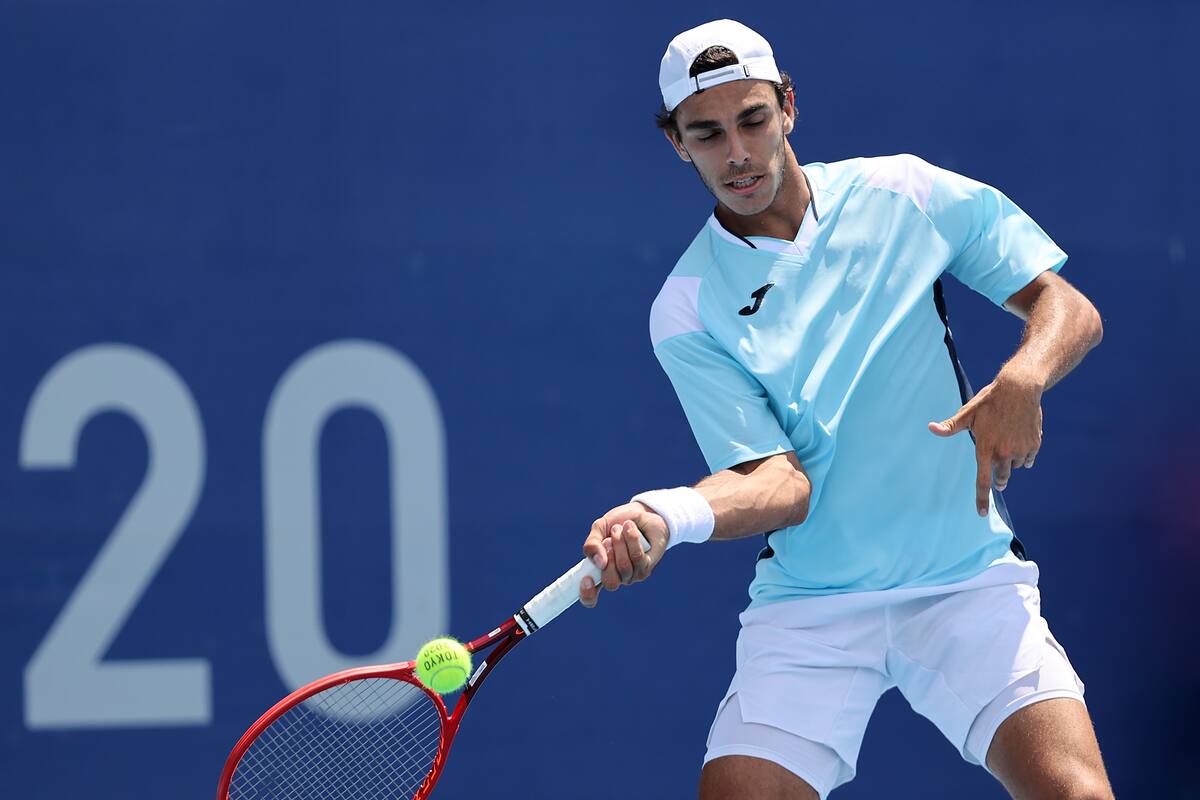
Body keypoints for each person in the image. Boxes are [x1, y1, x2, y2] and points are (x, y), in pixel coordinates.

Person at [577, 18, 1113, 800]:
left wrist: (1024, 378)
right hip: (813, 611)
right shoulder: (687, 309)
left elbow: (1066, 306)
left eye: (753, 120)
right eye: (708, 133)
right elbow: (779, 484)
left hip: (965, 581)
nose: (738, 153)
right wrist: (665, 514)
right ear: (677, 144)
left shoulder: (905, 192)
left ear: (789, 106)